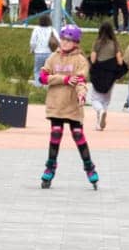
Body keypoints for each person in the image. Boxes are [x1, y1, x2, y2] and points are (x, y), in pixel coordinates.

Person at [37, 24, 99, 189]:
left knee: (78, 135)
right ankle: (50, 167)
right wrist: (63, 79)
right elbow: (42, 77)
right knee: (55, 134)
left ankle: (89, 167)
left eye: (69, 40)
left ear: (76, 43)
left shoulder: (80, 60)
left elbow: (80, 82)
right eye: (63, 39)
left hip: (72, 104)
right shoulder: (53, 57)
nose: (65, 43)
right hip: (56, 103)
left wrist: (81, 94)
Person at [87, 21, 126, 132]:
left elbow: (93, 60)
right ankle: (99, 123)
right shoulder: (115, 44)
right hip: (110, 73)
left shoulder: (97, 43)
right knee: (106, 98)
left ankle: (100, 111)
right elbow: (119, 61)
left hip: (98, 72)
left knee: (95, 98)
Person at [28, 13, 55, 83]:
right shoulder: (52, 29)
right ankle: (47, 86)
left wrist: (32, 50)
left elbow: (33, 42)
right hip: (50, 53)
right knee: (48, 71)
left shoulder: (36, 29)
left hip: (39, 53)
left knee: (37, 70)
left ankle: (38, 86)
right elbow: (58, 40)